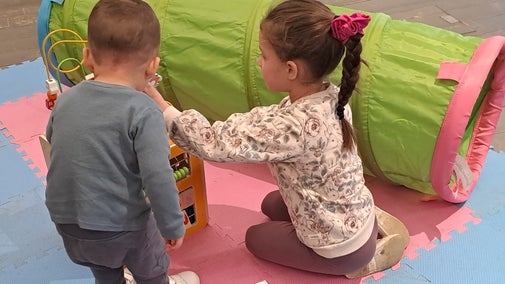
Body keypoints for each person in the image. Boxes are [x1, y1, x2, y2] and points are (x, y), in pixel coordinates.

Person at [145, 0, 409, 278]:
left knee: (255, 238)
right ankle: (364, 226)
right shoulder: (330, 94)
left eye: (263, 55)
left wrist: (163, 106)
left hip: (338, 246)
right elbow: (266, 122)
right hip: (349, 210)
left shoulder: (294, 127)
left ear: (291, 70)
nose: (258, 61)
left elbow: (213, 144)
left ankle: (359, 261)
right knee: (271, 203)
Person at [44, 1, 200, 283]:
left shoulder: (65, 100)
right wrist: (172, 226)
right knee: (150, 268)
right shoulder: (143, 110)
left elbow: (58, 146)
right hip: (123, 229)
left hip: (68, 227)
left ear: (87, 56)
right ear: (153, 66)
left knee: (105, 271)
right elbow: (158, 177)